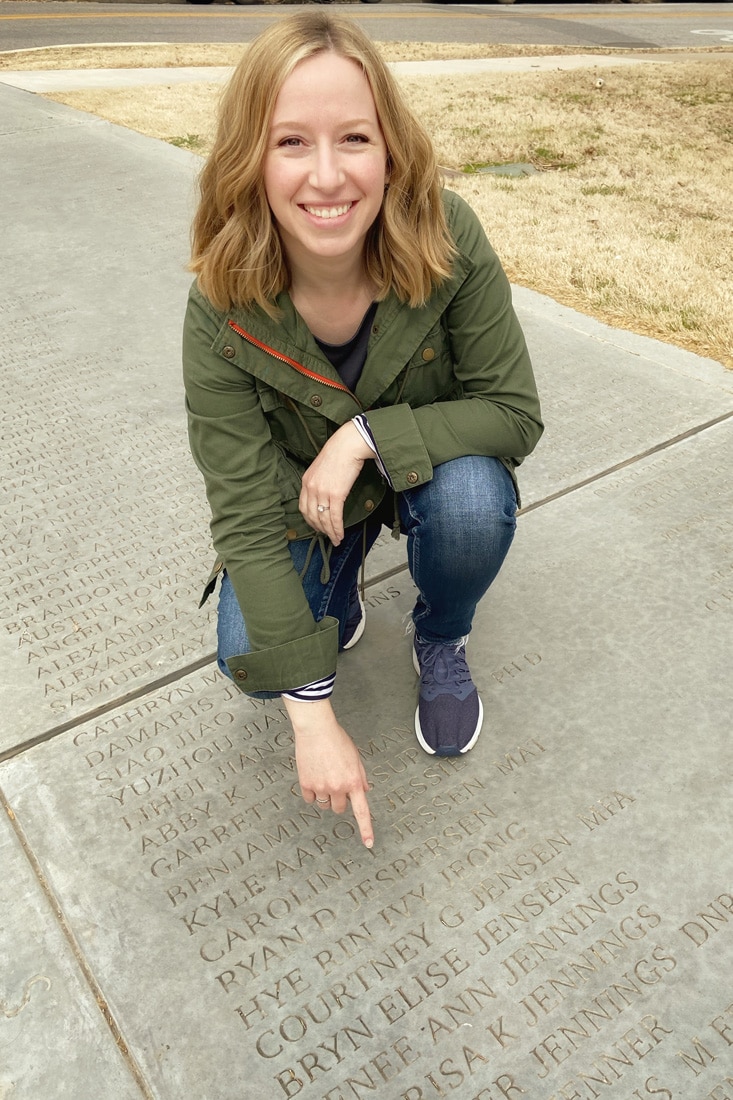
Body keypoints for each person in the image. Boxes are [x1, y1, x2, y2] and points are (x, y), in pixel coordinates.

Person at [182, 11, 542, 851]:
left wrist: (362, 436)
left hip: (422, 471)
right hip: (303, 506)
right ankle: (337, 585)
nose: (327, 175)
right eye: (290, 143)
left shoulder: (447, 234)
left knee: (471, 503)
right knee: (252, 659)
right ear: (250, 159)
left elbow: (512, 413)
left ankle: (440, 633)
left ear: (389, 149)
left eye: (353, 137)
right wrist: (311, 720)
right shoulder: (220, 306)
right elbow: (240, 510)